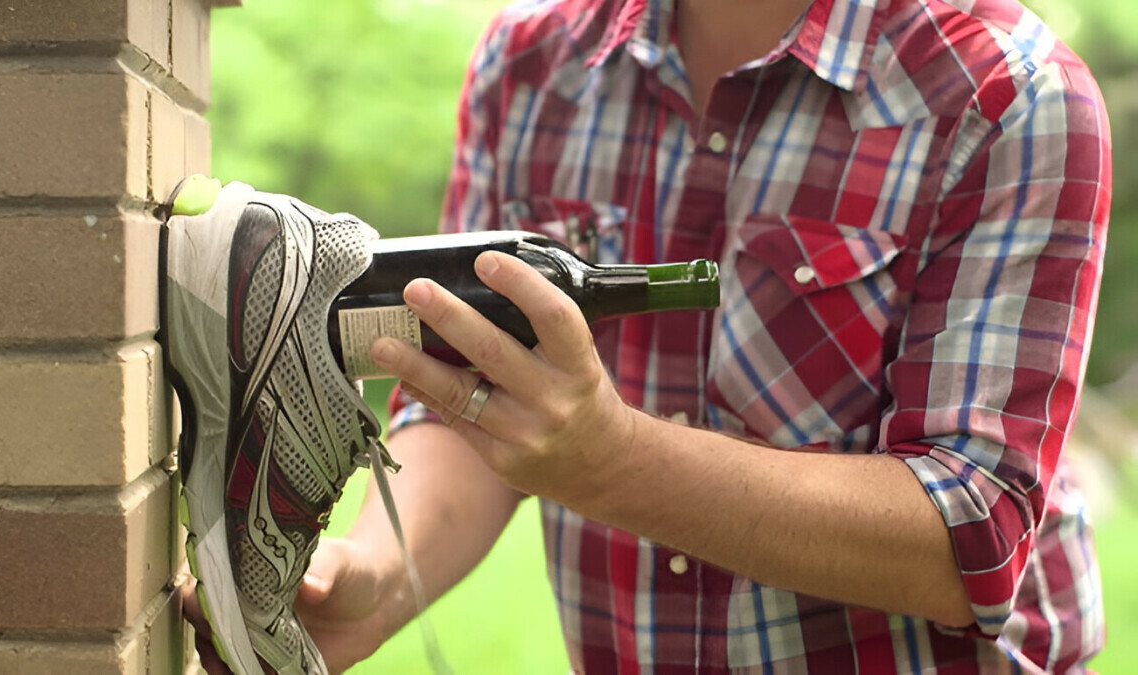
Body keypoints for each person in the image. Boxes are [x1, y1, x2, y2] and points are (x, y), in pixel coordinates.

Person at [189, 0, 1111, 671]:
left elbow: (972, 538)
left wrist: (613, 460)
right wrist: (383, 582)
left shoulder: (1007, 93)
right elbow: (471, 393)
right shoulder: (530, 63)